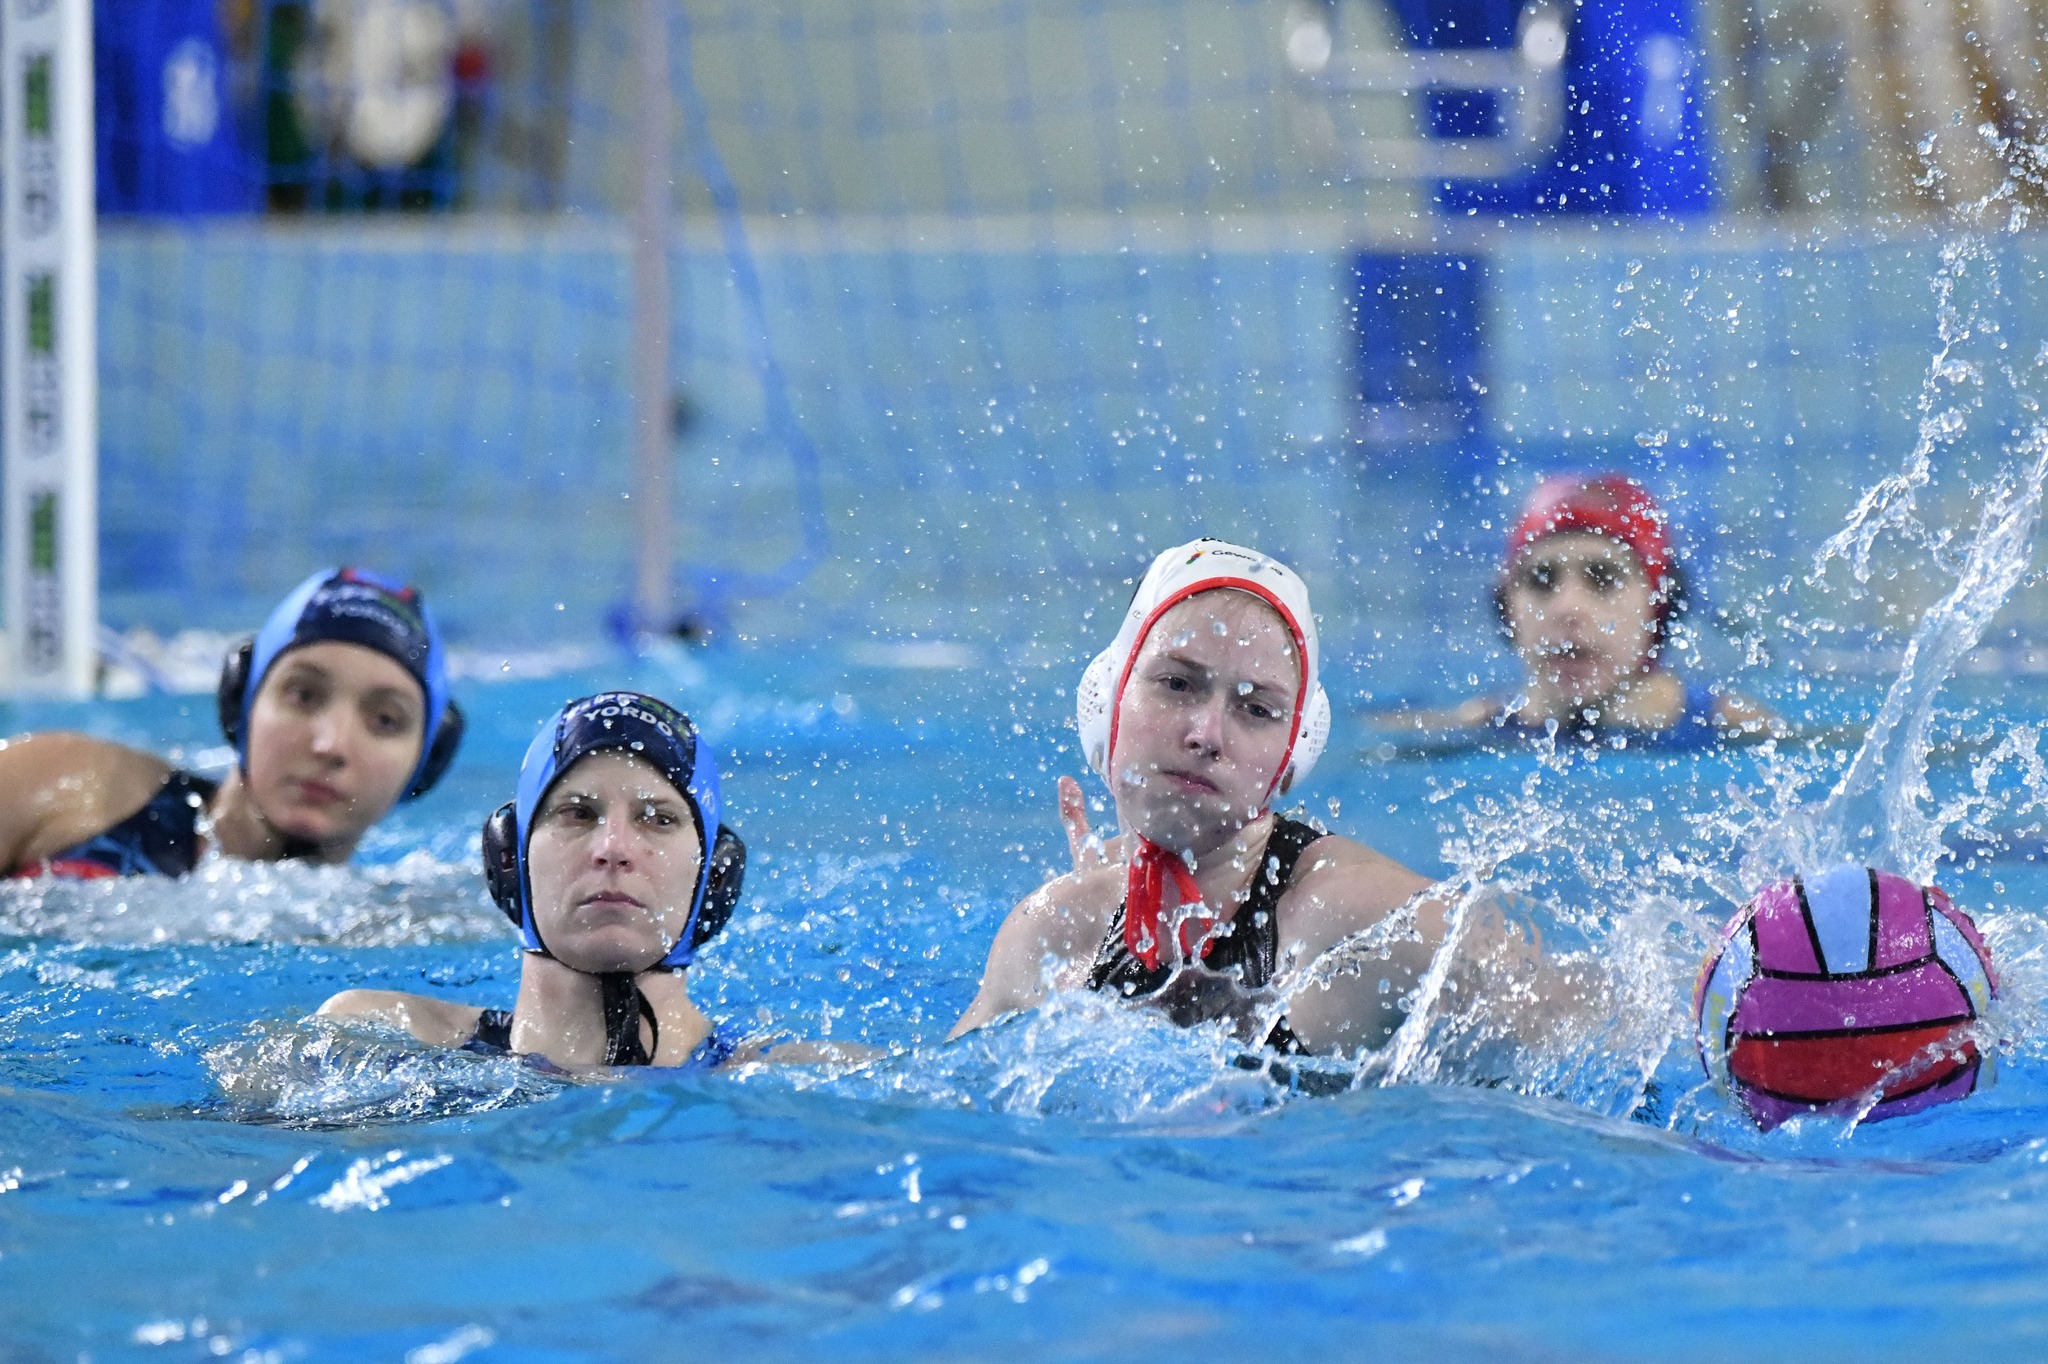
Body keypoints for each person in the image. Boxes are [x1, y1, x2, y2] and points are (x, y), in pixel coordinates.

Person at [952, 539, 1588, 1059]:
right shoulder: (1055, 932)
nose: (1206, 734)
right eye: (1176, 684)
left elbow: (1597, 1017)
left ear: (1290, 757)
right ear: (1108, 701)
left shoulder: (1351, 921)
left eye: (1257, 709)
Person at [320, 691, 861, 1071]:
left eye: (659, 819)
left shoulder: (804, 1076)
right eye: (577, 813)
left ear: (714, 879)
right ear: (509, 861)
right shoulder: (374, 1037)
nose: (614, 849)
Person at [0, 567, 464, 879]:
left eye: (385, 720)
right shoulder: (62, 784)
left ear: (426, 765)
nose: (330, 744)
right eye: (303, 695)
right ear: (241, 702)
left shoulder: (395, 932)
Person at [1388, 473, 1776, 750]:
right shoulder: (1471, 728)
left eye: (1603, 579)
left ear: (1659, 606)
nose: (1567, 608)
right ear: (1506, 609)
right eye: (1541, 580)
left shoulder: (1737, 728)